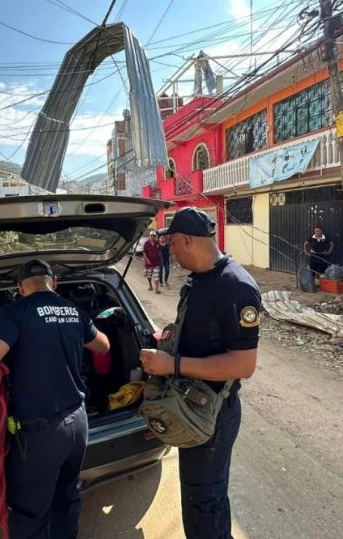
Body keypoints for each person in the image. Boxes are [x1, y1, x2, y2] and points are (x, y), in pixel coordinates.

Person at [0, 259, 110, 539]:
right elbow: (103, 345)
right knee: (66, 497)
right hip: (78, 424)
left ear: (20, 287)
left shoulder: (15, 312)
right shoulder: (73, 312)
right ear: (54, 283)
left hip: (39, 433)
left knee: (30, 514)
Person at [139, 207, 261, 539]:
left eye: (173, 244)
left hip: (214, 413)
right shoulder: (200, 280)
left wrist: (173, 365)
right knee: (199, 496)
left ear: (187, 240)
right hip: (191, 406)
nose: (171, 251)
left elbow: (243, 365)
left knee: (204, 503)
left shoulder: (235, 286)